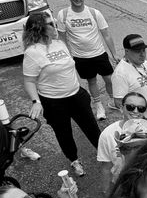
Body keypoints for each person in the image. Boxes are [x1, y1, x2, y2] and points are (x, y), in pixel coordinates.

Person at [22, 13, 100, 176]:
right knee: (64, 133)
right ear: (40, 29)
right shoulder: (33, 52)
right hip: (54, 102)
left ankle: (106, 154)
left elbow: (68, 67)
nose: (55, 25)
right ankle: (74, 160)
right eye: (50, 23)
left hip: (76, 95)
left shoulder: (60, 43)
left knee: (92, 128)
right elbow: (29, 81)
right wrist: (36, 101)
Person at [57, 0, 118, 121]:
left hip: (99, 53)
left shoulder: (94, 13)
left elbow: (106, 34)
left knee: (109, 79)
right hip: (80, 57)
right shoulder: (63, 14)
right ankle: (99, 106)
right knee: (91, 81)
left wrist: (114, 54)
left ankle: (114, 101)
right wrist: (65, 56)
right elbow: (61, 38)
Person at [97, 92, 147, 197]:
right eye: (130, 107)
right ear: (121, 108)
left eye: (141, 108)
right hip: (124, 189)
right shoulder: (107, 135)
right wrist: (106, 195)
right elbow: (106, 168)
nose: (135, 111)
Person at [112, 34, 147, 112]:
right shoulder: (120, 73)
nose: (142, 54)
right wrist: (146, 105)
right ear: (127, 51)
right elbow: (118, 103)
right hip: (138, 120)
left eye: (143, 50)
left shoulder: (146, 63)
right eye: (138, 51)